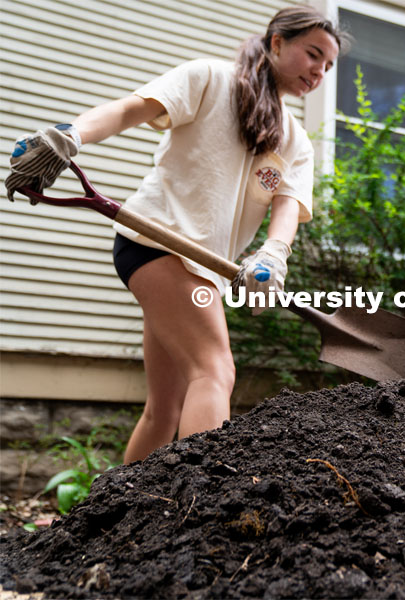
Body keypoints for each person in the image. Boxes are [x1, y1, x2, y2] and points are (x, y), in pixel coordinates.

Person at [5, 6, 347, 462]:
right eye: (313, 54)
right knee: (214, 371)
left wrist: (274, 253)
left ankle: (110, 519)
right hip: (156, 243)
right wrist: (72, 136)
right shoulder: (211, 78)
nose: (319, 71)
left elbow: (287, 204)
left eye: (328, 65)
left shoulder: (294, 140)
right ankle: (200, 507)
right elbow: (133, 108)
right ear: (278, 42)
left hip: (204, 271)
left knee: (164, 408)